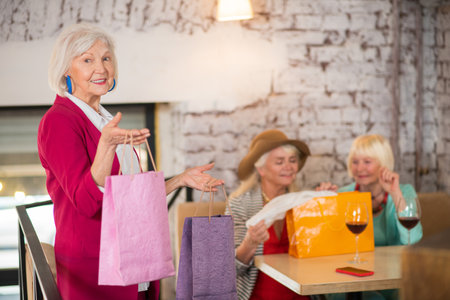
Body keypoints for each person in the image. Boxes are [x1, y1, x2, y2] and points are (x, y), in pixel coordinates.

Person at [38, 23, 224, 300]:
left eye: (106, 58)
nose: (100, 68)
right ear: (67, 70)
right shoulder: (59, 121)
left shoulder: (101, 117)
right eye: (87, 60)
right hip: (94, 267)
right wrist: (107, 146)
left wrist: (180, 179)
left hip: (134, 255)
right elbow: (85, 201)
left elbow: (129, 197)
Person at [316, 134, 423, 300]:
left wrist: (394, 193)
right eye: (355, 162)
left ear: (383, 164)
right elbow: (325, 244)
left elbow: (414, 240)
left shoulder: (404, 191)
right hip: (349, 279)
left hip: (391, 277)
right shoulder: (343, 194)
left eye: (367, 162)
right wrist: (322, 203)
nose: (359, 168)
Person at [225, 129, 311, 300]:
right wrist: (250, 243)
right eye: (279, 162)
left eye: (292, 160)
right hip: (260, 296)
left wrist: (327, 204)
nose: (288, 167)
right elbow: (230, 269)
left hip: (301, 295)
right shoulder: (240, 205)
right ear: (261, 169)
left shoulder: (303, 202)